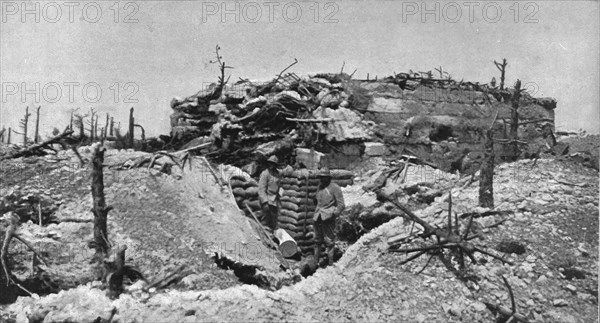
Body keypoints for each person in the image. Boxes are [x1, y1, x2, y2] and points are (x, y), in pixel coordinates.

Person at [313, 168, 345, 266]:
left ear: (328, 178)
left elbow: (341, 205)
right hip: (318, 217)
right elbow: (317, 201)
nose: (322, 179)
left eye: (324, 177)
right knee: (317, 241)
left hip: (328, 218)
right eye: (321, 177)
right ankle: (316, 263)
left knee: (329, 242)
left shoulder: (335, 188)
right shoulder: (320, 187)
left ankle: (330, 263)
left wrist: (334, 214)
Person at [258, 155, 282, 231]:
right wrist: (265, 202)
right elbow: (261, 189)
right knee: (266, 220)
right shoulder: (265, 174)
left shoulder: (278, 174)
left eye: (274, 164)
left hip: (276, 200)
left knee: (275, 221)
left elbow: (280, 185)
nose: (272, 165)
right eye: (270, 163)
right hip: (268, 199)